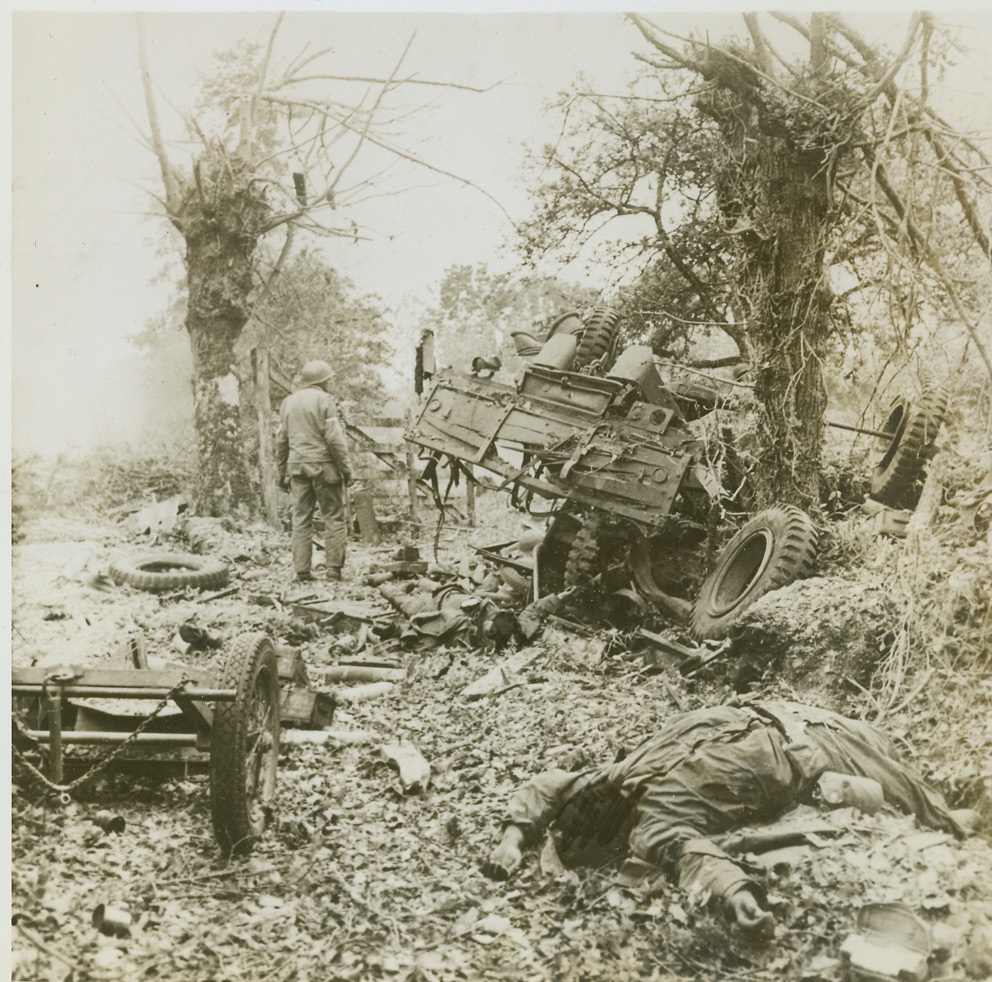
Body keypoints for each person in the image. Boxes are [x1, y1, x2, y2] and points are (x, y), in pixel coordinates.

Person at [483, 701, 971, 939]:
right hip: (822, 747)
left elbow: (549, 785)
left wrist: (513, 839)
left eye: (587, 797)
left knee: (926, 788)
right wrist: (736, 895)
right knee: (939, 816)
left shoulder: (616, 778)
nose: (591, 792)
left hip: (802, 715)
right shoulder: (652, 822)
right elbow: (694, 858)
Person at [276, 360, 354, 582]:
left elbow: (281, 441)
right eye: (329, 379)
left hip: (297, 467)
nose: (331, 383)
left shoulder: (288, 402)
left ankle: (302, 571)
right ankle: (333, 570)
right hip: (324, 466)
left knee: (300, 518)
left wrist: (281, 472)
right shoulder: (325, 400)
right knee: (334, 517)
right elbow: (334, 438)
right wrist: (346, 470)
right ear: (323, 381)